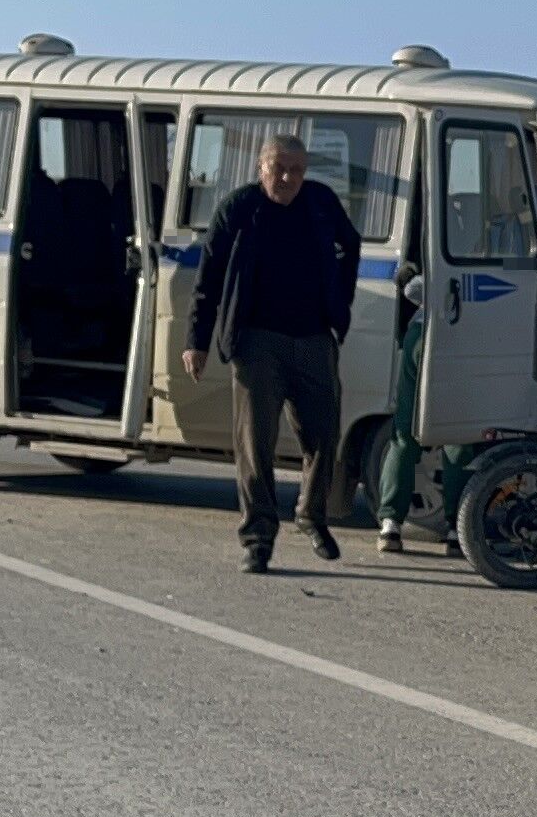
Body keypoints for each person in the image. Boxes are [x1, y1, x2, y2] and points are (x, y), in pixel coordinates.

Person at [183, 133, 361, 574]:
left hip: (314, 339)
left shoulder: (320, 203)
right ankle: (258, 537)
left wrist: (339, 308)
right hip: (257, 341)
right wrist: (196, 341)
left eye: (296, 170)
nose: (287, 177)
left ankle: (311, 515)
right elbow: (208, 279)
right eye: (278, 168)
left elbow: (350, 246)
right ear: (261, 167)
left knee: (323, 435)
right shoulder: (239, 209)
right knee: (254, 443)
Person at [372, 260, 471, 556]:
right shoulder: (490, 259)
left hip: (421, 333)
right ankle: (458, 529)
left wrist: (414, 276)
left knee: (405, 436)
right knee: (459, 439)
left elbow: (414, 288)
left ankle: (390, 523)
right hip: (463, 341)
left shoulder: (443, 254)